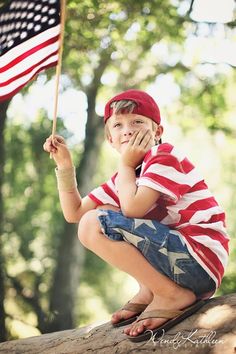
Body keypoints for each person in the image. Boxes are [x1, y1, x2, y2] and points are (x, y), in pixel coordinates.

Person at [43, 89, 229, 342]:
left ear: (158, 132)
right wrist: (65, 166)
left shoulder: (163, 156)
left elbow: (133, 209)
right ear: (110, 139)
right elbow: (74, 212)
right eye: (118, 125)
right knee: (98, 217)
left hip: (199, 257)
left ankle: (169, 293)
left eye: (137, 122)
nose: (128, 130)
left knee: (96, 222)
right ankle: (151, 289)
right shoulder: (125, 178)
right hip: (183, 262)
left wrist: (126, 165)